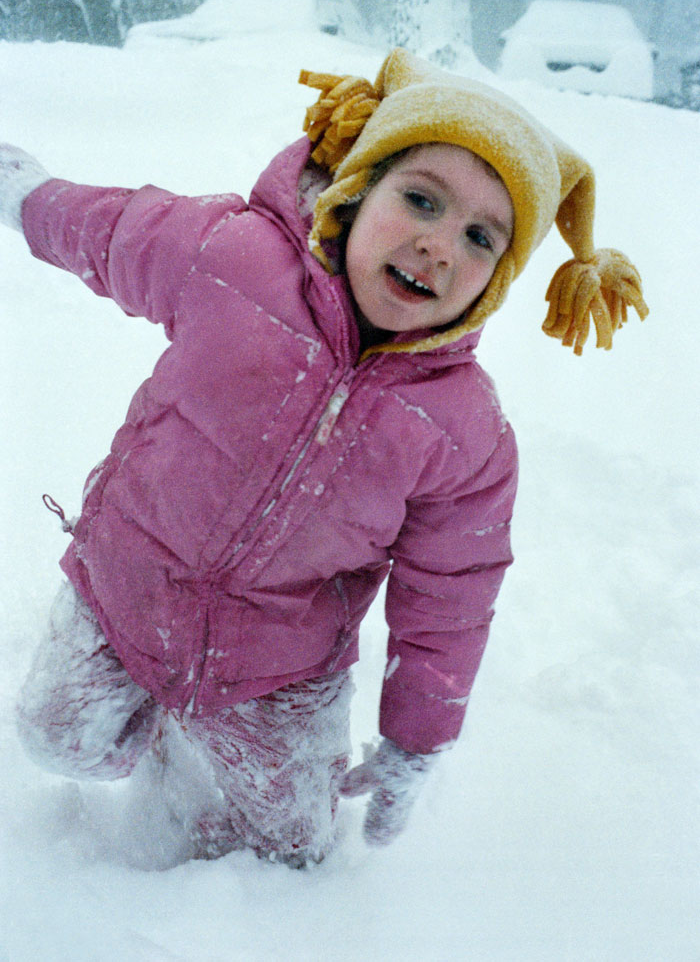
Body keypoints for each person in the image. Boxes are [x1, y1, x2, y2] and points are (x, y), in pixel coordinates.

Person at [1, 48, 648, 867]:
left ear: (497, 278)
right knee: (56, 738)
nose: (438, 244)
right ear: (357, 184)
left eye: (480, 235)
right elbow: (115, 230)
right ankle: (155, 728)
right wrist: (24, 196)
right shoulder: (231, 258)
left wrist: (417, 739)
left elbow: (451, 595)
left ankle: (204, 789)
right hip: (125, 590)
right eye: (420, 198)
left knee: (286, 854)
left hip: (279, 671)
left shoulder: (468, 434)